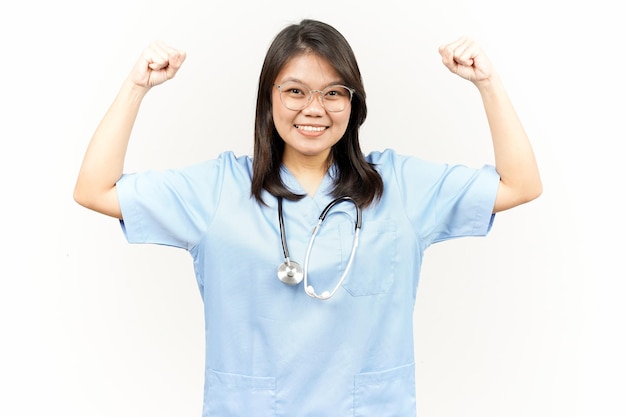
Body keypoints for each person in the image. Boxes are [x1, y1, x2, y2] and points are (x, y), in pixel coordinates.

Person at [74, 18, 541, 417]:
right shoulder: (217, 190)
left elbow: (520, 185)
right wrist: (137, 86)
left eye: (333, 92)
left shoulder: (400, 187)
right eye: (295, 90)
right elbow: (94, 189)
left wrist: (488, 83)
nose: (314, 109)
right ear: (269, 99)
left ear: (353, 104)